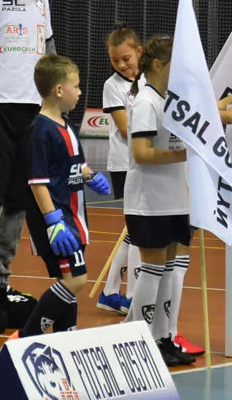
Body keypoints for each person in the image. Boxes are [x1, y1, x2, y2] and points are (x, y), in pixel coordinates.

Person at [10, 55, 109, 340]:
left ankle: (67, 338)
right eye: (76, 86)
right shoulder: (40, 131)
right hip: (58, 221)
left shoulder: (65, 125)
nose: (80, 92)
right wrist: (53, 221)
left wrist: (90, 175)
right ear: (58, 90)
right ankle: (26, 336)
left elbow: (72, 163)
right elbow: (37, 182)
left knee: (68, 280)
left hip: (74, 218)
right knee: (75, 279)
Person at [121, 37, 195, 367]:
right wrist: (184, 154)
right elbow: (141, 153)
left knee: (167, 273)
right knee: (151, 271)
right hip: (148, 202)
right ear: (159, 66)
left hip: (173, 200)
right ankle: (139, 340)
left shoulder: (169, 100)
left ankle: (163, 338)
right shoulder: (146, 102)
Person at [97, 22, 144, 315]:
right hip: (126, 163)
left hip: (147, 160)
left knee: (135, 229)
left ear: (139, 52)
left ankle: (111, 292)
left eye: (126, 58)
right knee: (137, 229)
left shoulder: (151, 79)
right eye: (115, 60)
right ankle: (122, 293)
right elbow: (126, 128)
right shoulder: (112, 86)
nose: (122, 65)